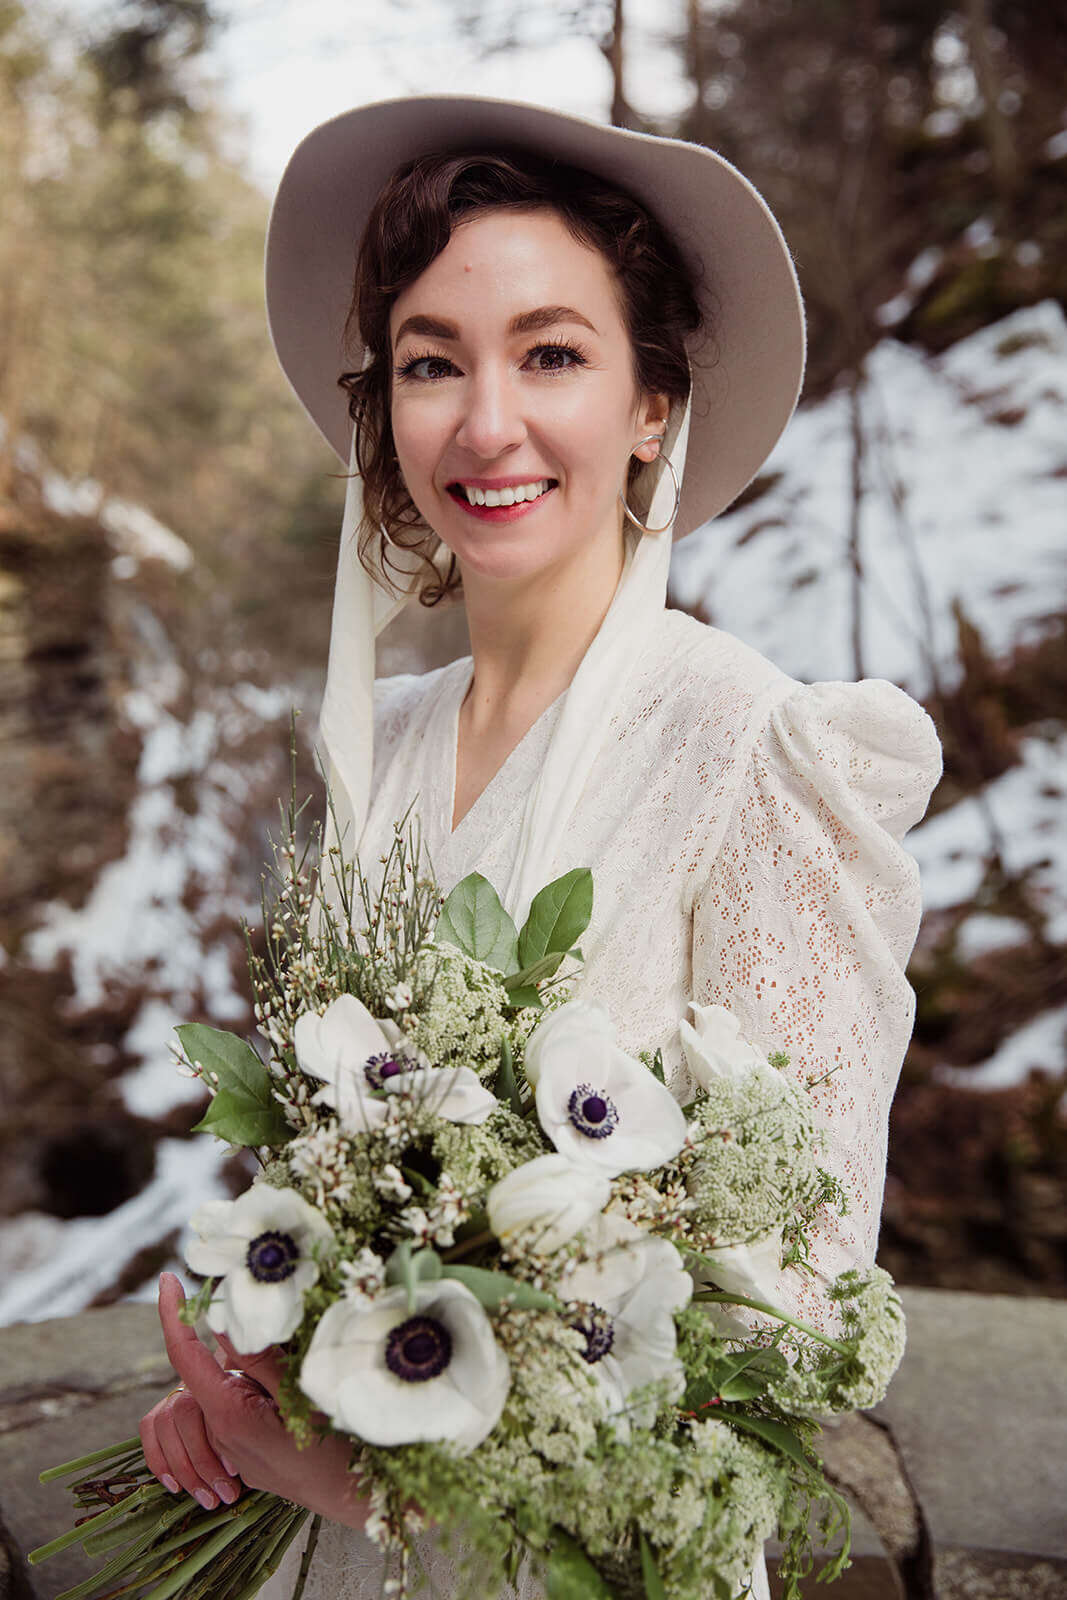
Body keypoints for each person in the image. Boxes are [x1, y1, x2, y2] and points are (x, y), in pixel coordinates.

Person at [139, 96, 943, 1598]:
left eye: (553, 354)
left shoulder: (752, 752)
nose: (486, 422)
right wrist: (243, 1382)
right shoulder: (374, 750)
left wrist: (374, 1483)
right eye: (434, 363)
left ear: (653, 405)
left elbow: (796, 1313)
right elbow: (309, 1174)